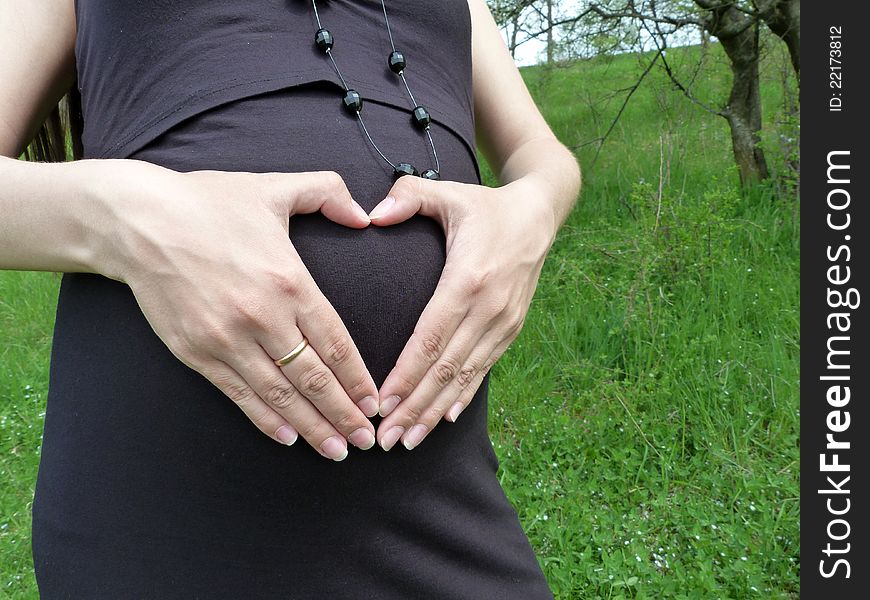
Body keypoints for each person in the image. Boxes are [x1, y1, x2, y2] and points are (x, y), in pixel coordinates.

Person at [1, 0, 580, 597]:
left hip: (441, 503)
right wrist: (126, 217)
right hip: (167, 523)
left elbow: (539, 152)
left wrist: (533, 210)